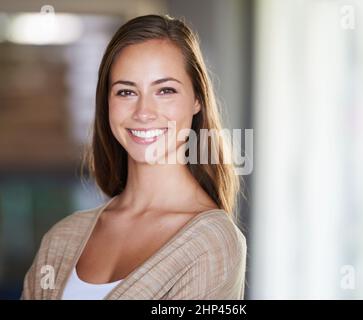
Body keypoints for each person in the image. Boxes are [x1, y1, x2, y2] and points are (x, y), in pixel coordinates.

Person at [21, 14, 247, 300]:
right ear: (107, 103)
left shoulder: (212, 242)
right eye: (126, 92)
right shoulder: (61, 238)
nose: (143, 112)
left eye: (165, 90)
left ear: (196, 100)